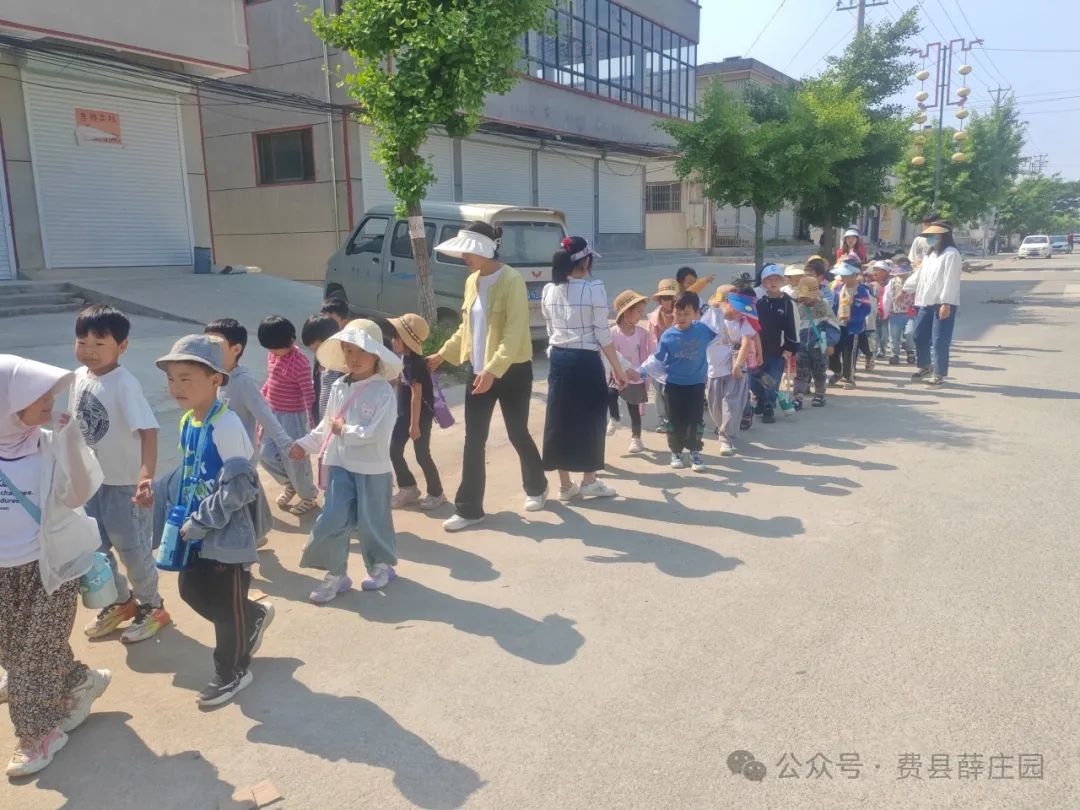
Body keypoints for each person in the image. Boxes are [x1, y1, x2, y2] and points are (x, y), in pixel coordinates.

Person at [0, 355, 110, 777]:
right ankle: (81, 680)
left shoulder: (49, 443)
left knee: (31, 662)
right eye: (37, 396)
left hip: (50, 570)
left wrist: (72, 446)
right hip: (5, 573)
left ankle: (37, 734)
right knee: (14, 652)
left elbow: (79, 494)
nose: (49, 400)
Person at [153, 336, 272, 707]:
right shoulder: (190, 420)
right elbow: (190, 472)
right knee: (191, 591)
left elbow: (241, 489)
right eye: (172, 379)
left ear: (215, 380)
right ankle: (249, 616)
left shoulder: (227, 426)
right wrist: (155, 491)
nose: (176, 388)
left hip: (226, 538)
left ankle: (232, 671)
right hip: (195, 531)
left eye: (186, 379)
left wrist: (201, 522)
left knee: (223, 606)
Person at [427, 222, 548, 532]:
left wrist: (493, 371)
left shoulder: (511, 280)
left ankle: (537, 486)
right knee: (474, 440)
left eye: (469, 250)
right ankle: (469, 509)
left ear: (485, 249)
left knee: (517, 432)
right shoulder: (471, 282)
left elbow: (514, 333)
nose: (464, 256)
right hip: (478, 371)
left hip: (512, 370)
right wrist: (442, 354)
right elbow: (466, 328)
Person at [71, 305, 168, 644]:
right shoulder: (79, 378)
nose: (89, 351)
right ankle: (120, 602)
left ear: (122, 346)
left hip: (125, 487)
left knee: (133, 552)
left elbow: (149, 432)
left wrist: (145, 478)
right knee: (95, 550)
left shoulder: (125, 384)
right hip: (91, 484)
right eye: (82, 342)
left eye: (100, 343)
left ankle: (152, 606)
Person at [288, 320, 402, 600]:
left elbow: (378, 433)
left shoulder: (383, 391)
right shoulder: (338, 386)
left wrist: (345, 430)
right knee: (332, 518)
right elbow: (326, 426)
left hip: (372, 468)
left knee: (373, 520)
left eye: (361, 351)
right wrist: (305, 444)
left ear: (376, 354)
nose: (354, 359)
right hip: (339, 464)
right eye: (348, 351)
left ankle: (381, 566)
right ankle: (335, 574)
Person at [541, 237, 627, 501]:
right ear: (586, 261)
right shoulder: (594, 289)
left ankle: (565, 486)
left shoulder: (548, 290)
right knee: (590, 420)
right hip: (585, 361)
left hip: (558, 360)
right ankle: (589, 480)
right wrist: (618, 369)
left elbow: (549, 330)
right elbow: (603, 334)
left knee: (560, 420)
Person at [203, 318, 292, 550]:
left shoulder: (242, 381)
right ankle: (255, 534)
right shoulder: (210, 377)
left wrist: (286, 443)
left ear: (236, 349)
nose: (209, 350)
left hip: (239, 458)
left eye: (216, 344)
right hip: (218, 455)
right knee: (246, 498)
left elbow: (264, 413)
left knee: (236, 501)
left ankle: (239, 549)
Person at [639, 292, 716, 472]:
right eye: (678, 313)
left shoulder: (703, 330)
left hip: (696, 385)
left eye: (687, 313)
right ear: (673, 312)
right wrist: (641, 371)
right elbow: (657, 359)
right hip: (673, 386)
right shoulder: (668, 335)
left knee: (695, 420)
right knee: (674, 420)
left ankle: (695, 452)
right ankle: (676, 452)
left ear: (696, 314)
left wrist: (716, 307)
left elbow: (721, 327)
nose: (682, 317)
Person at [257, 315, 318, 515]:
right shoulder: (272, 355)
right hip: (272, 414)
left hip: (293, 418)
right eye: (269, 348)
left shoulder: (300, 363)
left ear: (290, 341)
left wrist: (313, 422)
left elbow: (308, 393)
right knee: (265, 455)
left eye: (275, 347)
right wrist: (260, 398)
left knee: (295, 460)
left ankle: (307, 495)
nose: (273, 352)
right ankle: (290, 484)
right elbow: (271, 380)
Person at [388, 314, 445, 511]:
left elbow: (416, 396)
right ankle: (408, 488)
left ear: (408, 341)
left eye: (397, 337)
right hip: (404, 415)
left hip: (417, 417)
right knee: (394, 451)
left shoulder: (415, 363)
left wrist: (414, 425)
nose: (392, 340)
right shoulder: (405, 359)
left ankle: (437, 493)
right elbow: (401, 381)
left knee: (422, 454)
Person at [907, 220, 962, 387]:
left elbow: (950, 281)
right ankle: (926, 365)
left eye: (933, 235)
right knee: (918, 334)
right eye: (928, 235)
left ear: (943, 236)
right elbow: (919, 275)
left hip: (942, 303)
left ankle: (939, 373)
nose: (930, 238)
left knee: (939, 340)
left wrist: (946, 303)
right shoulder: (930, 255)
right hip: (925, 302)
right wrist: (905, 289)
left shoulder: (951, 254)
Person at [702, 287, 755, 456]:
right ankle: (722, 427)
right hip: (713, 371)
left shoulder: (743, 321)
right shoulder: (709, 318)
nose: (741, 312)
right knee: (715, 406)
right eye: (737, 307)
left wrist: (738, 365)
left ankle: (726, 439)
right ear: (725, 303)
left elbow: (746, 342)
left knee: (731, 403)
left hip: (735, 370)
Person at [607, 290, 653, 454]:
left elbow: (648, 355)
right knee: (610, 393)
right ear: (626, 312)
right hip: (617, 375)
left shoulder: (642, 334)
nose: (641, 315)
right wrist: (616, 372)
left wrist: (643, 373)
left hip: (635, 377)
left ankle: (636, 438)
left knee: (633, 409)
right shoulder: (612, 333)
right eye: (638, 311)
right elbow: (609, 354)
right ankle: (614, 418)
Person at [753, 265, 798, 423]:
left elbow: (793, 327)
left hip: (777, 350)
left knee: (772, 379)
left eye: (776, 279)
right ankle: (760, 399)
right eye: (769, 279)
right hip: (757, 349)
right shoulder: (758, 302)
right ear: (763, 282)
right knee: (754, 379)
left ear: (782, 281)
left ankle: (768, 406)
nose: (773, 282)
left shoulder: (787, 303)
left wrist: (789, 348)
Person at [793, 277, 839, 408]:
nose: (806, 299)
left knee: (819, 371)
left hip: (819, 346)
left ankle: (819, 395)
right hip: (801, 346)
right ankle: (798, 397)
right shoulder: (797, 307)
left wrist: (830, 343)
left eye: (808, 297)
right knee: (801, 373)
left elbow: (833, 326)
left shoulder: (824, 307)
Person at [828, 256, 873, 389]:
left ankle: (850, 378)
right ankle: (837, 371)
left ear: (855, 275)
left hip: (853, 328)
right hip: (838, 326)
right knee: (833, 351)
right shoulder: (838, 288)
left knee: (849, 354)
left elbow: (866, 309)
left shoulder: (861, 290)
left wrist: (853, 319)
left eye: (846, 275)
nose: (842, 277)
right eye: (841, 274)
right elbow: (834, 305)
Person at [301, 315, 345, 428]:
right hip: (321, 422)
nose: (317, 354)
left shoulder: (345, 364)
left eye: (317, 349)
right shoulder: (320, 358)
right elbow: (317, 389)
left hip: (337, 424)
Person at [647, 278, 678, 433]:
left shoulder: (682, 314)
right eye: (664, 298)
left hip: (678, 359)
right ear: (659, 300)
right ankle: (662, 420)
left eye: (671, 298)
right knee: (659, 391)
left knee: (674, 391)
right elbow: (650, 340)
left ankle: (675, 418)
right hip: (659, 359)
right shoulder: (653, 317)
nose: (668, 302)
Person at [882, 257, 916, 365]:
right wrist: (885, 312)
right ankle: (894, 354)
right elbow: (887, 297)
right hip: (895, 313)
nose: (902, 274)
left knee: (910, 333)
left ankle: (910, 351)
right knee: (894, 336)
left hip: (910, 314)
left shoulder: (914, 282)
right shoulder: (892, 282)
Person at [870, 260, 892, 360]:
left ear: (885, 272)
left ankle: (882, 348)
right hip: (873, 314)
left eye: (877, 270)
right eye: (873, 270)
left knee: (884, 334)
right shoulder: (870, 285)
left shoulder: (890, 284)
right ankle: (876, 350)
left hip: (886, 314)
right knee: (874, 333)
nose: (874, 272)